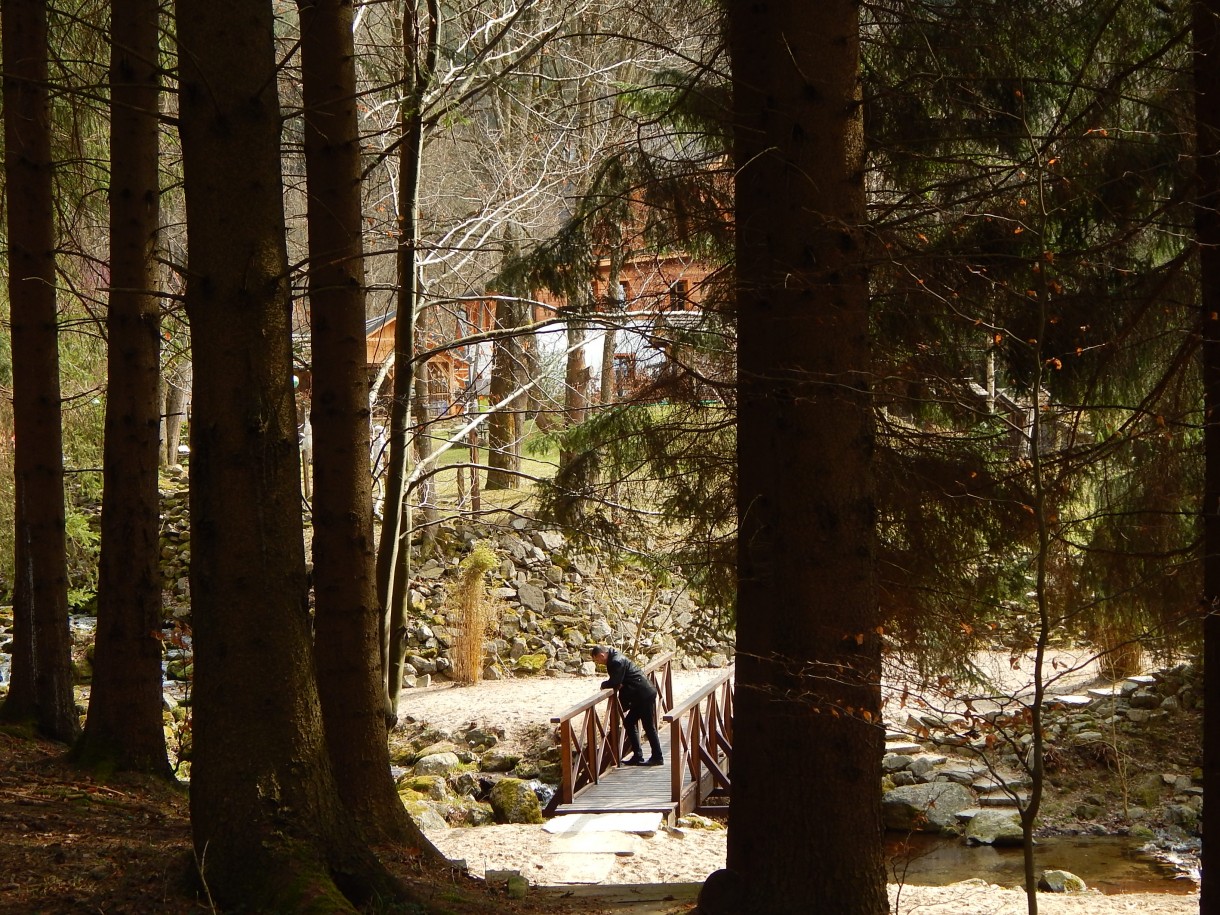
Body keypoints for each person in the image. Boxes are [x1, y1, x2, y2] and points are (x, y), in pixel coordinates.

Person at [590, 645, 663, 766]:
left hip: (644, 695)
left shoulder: (616, 661)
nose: (598, 662)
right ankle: (637, 755)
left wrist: (603, 684)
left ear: (601, 655)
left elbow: (615, 681)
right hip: (640, 694)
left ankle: (657, 757)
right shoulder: (615, 658)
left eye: (597, 660)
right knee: (629, 722)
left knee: (648, 726)